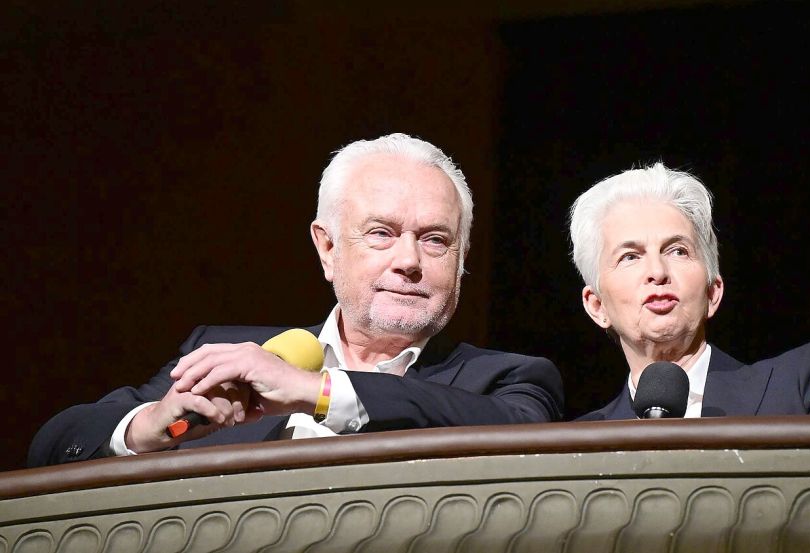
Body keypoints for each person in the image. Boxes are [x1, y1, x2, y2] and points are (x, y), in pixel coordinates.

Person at [28, 133, 563, 467]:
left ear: (462, 259)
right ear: (327, 248)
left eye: (435, 239)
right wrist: (148, 428)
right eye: (381, 233)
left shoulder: (508, 380)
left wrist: (318, 391)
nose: (409, 260)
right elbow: (54, 444)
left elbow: (526, 439)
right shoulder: (226, 353)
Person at [570, 163, 810, 420]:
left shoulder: (797, 386)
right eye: (630, 256)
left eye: (678, 250)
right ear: (597, 305)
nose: (657, 272)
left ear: (714, 292)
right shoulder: (577, 446)